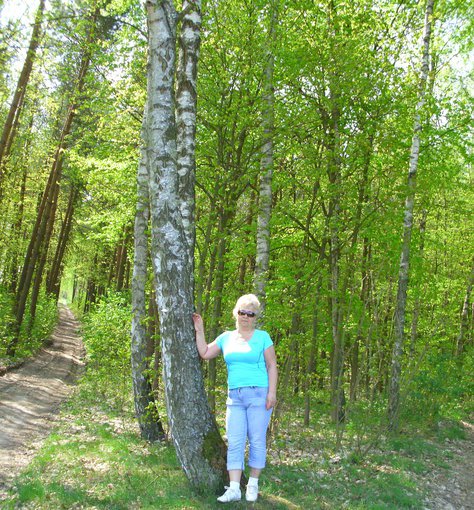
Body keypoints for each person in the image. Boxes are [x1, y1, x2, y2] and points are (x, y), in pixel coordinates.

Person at [193, 294, 278, 503]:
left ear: (255, 317)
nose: (246, 316)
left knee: (256, 440)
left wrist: (272, 393)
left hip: (259, 395)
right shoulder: (226, 337)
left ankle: (253, 484)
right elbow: (205, 352)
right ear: (236, 313)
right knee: (235, 441)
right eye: (242, 312)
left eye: (251, 313)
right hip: (235, 398)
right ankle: (234, 489)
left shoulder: (263, 337)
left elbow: (272, 365)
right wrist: (199, 329)